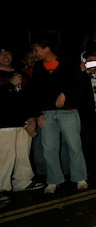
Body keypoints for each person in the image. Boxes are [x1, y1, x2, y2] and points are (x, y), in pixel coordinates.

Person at [31, 39, 88, 194]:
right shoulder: (38, 67)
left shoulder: (68, 64)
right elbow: (34, 92)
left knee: (74, 146)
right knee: (49, 149)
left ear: (46, 48)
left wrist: (65, 94)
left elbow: (80, 84)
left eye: (37, 50)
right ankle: (54, 180)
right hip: (47, 114)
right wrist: (37, 114)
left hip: (68, 111)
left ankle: (80, 178)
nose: (35, 54)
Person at [0, 44, 43, 201]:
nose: (5, 56)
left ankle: (22, 181)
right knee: (5, 156)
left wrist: (32, 116)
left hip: (23, 121)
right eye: (1, 54)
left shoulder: (21, 74)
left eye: (8, 53)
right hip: (4, 123)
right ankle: (2, 187)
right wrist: (9, 84)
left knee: (23, 154)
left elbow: (30, 97)